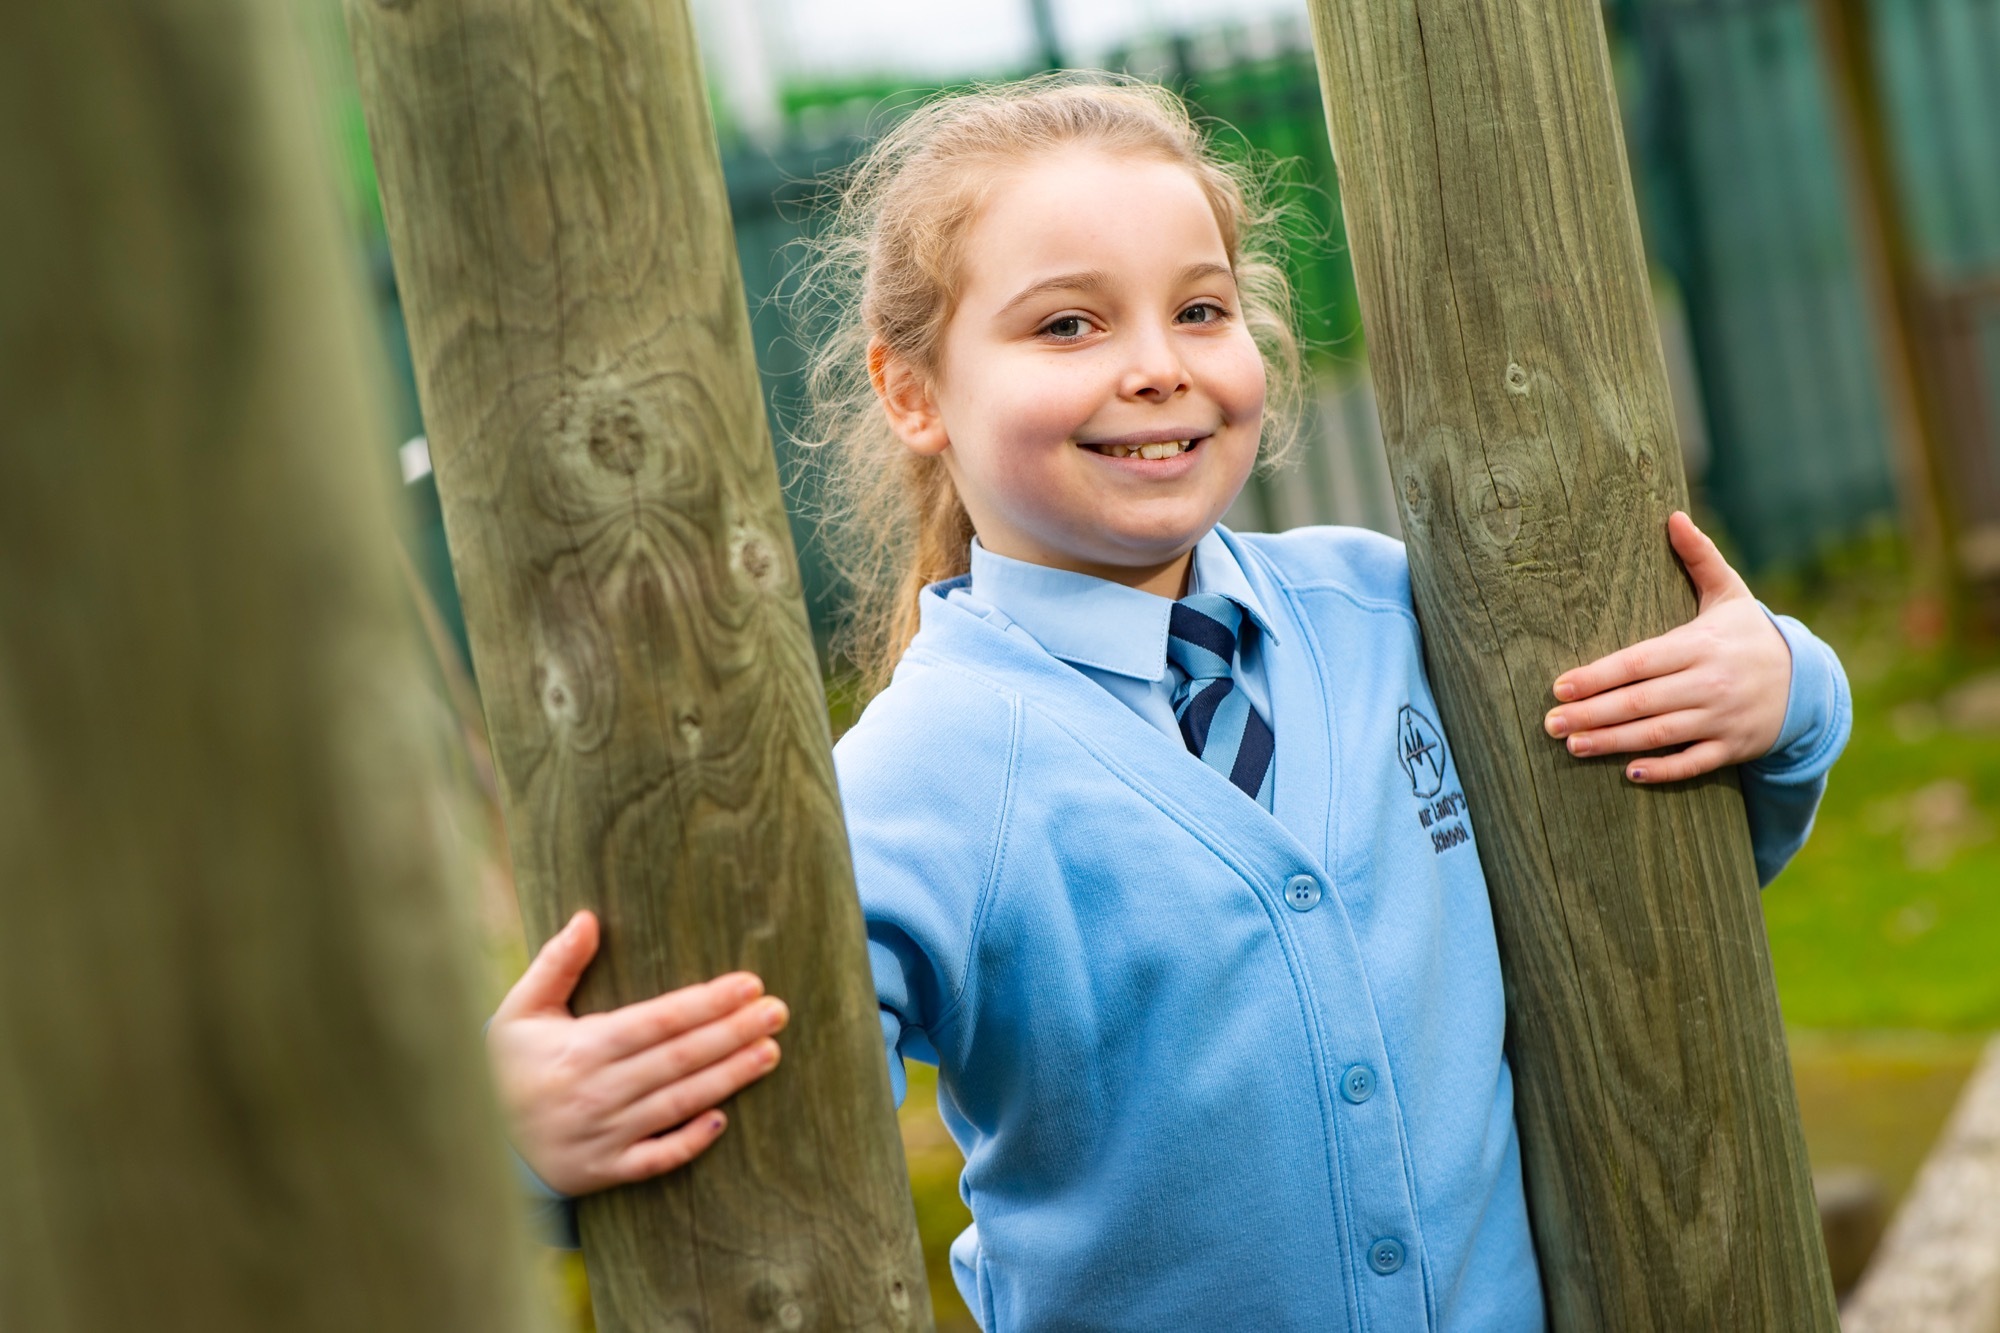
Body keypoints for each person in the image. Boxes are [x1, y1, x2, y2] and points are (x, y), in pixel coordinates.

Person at [484, 76, 1851, 1329]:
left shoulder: (1398, 616)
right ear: (913, 392)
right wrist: (511, 1134)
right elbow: (725, 1081)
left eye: (1199, 309)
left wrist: (1783, 685)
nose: (1158, 365)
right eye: (1068, 323)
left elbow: (1658, 850)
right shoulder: (924, 769)